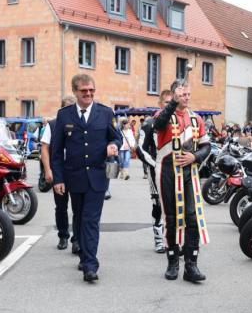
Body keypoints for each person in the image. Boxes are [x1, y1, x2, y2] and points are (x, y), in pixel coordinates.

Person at [50, 74, 122, 283]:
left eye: (91, 90)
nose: (88, 94)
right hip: (74, 177)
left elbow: (116, 136)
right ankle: (84, 255)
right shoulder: (64, 115)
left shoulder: (105, 113)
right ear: (75, 92)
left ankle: (90, 265)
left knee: (91, 220)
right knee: (79, 218)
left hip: (98, 177)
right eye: (84, 91)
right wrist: (58, 179)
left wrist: (114, 145)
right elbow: (56, 151)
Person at [148, 76, 212, 282]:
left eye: (188, 94)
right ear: (175, 94)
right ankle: (173, 262)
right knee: (172, 218)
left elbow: (206, 146)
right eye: (183, 94)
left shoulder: (196, 119)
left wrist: (196, 156)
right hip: (166, 170)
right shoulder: (163, 114)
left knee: (193, 217)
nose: (187, 97)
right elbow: (157, 125)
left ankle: (191, 265)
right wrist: (172, 103)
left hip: (189, 172)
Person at [40, 97, 80, 254]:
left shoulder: (79, 122)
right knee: (61, 207)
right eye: (68, 108)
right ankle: (63, 235)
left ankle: (77, 239)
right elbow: (44, 148)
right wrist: (48, 170)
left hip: (76, 171)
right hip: (59, 171)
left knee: (79, 208)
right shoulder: (53, 124)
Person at [138, 90, 172, 254]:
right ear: (160, 104)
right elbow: (140, 149)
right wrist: (156, 164)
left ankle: (173, 239)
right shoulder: (150, 123)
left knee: (175, 205)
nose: (169, 106)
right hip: (155, 170)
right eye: (166, 102)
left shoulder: (179, 122)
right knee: (158, 204)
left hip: (175, 171)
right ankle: (159, 239)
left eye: (172, 102)